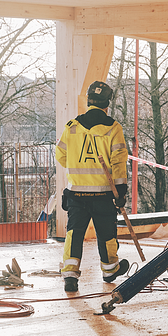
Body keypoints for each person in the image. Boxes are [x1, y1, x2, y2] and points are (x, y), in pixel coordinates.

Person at [56, 81, 130, 292]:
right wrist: (121, 191)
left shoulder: (72, 127)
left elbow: (61, 155)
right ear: (107, 104)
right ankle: (109, 270)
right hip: (103, 195)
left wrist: (77, 168)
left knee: (74, 233)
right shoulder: (114, 128)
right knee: (106, 233)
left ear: (88, 101)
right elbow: (118, 163)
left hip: (76, 194)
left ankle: (70, 275)